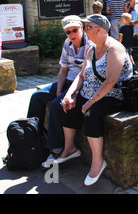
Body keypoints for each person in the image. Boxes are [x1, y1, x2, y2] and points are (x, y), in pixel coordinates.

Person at [57, 14, 133, 186]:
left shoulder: (114, 49)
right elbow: (82, 75)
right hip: (91, 92)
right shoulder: (92, 49)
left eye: (88, 27)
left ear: (98, 30)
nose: (85, 30)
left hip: (113, 95)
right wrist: (70, 94)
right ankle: (70, 148)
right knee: (67, 106)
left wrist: (90, 101)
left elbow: (111, 81)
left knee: (90, 115)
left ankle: (98, 162)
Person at [27, 15, 91, 167]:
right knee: (37, 96)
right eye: (68, 32)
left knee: (57, 105)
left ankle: (55, 148)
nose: (71, 35)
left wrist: (67, 94)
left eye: (74, 30)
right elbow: (63, 70)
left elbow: (84, 75)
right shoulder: (68, 43)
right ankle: (33, 137)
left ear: (81, 28)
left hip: (80, 83)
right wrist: (58, 90)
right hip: (68, 80)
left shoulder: (90, 44)